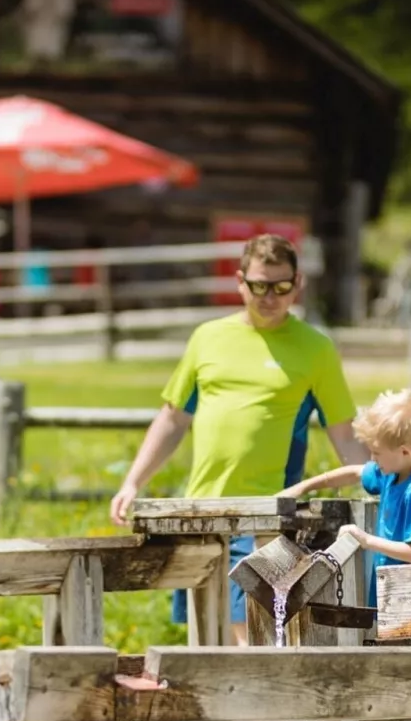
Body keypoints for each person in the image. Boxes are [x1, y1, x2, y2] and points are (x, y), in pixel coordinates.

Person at [109, 233, 365, 643]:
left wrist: (385, 481)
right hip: (200, 513)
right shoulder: (207, 338)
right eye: (259, 286)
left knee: (252, 641)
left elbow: (344, 434)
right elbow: (173, 419)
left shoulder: (315, 349)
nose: (269, 297)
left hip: (267, 517)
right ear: (240, 281)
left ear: (297, 284)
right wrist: (132, 482)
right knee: (204, 642)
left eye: (280, 287)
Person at [279, 388, 411, 609]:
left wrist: (366, 540)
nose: (372, 459)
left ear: (404, 452)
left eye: (376, 452)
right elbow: (354, 473)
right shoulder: (392, 474)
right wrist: (301, 488)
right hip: (387, 597)